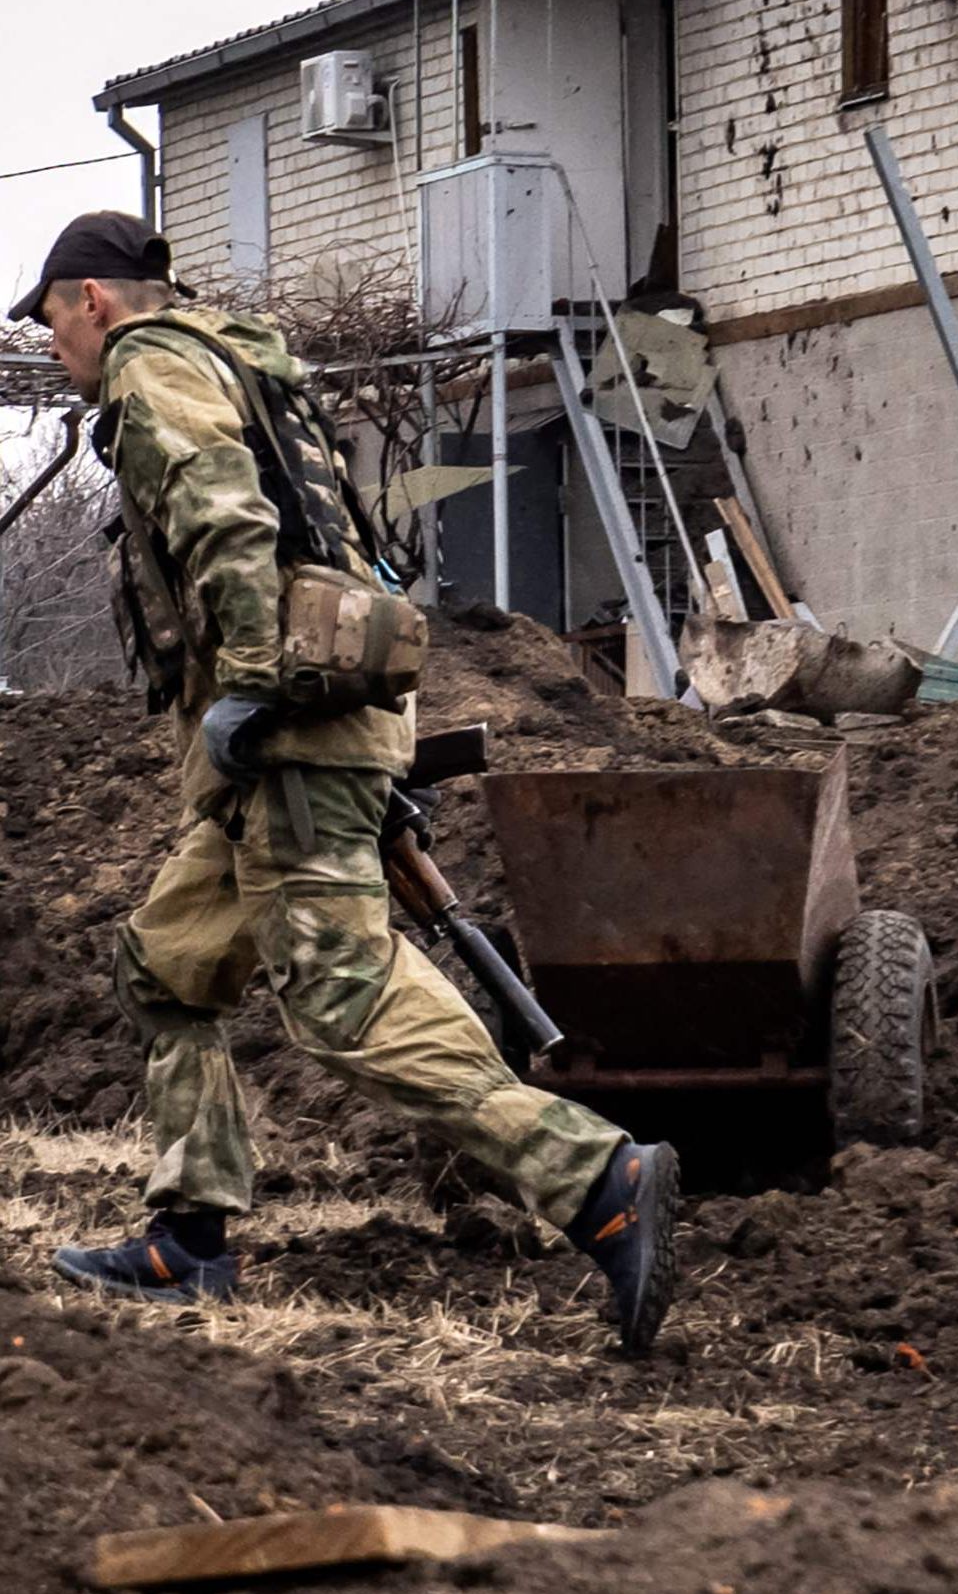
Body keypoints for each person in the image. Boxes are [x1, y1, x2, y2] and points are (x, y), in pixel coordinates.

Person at [10, 212, 678, 1349]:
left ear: (94, 301)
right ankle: (188, 1241)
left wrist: (259, 689)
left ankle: (596, 1181)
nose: (55, 346)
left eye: (53, 321)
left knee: (344, 1001)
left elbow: (225, 512)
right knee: (170, 967)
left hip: (286, 732)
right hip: (298, 730)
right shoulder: (242, 359)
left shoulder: (150, 365)